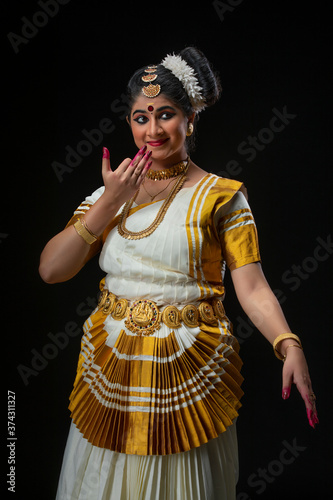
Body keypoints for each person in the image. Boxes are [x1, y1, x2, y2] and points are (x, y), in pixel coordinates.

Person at [39, 47, 318, 500]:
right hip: (111, 368)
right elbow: (51, 269)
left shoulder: (220, 197)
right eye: (140, 118)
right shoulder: (110, 194)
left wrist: (287, 343)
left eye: (165, 115)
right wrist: (108, 203)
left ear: (190, 116)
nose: (152, 130)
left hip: (186, 372)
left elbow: (252, 286)